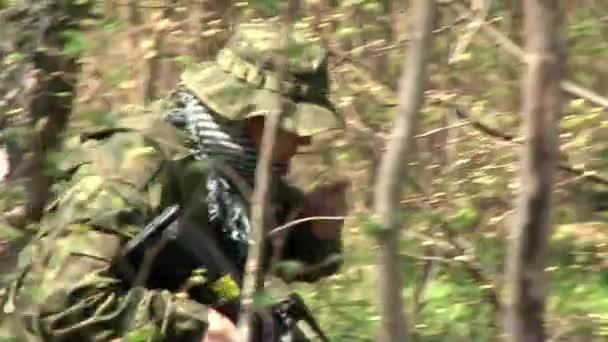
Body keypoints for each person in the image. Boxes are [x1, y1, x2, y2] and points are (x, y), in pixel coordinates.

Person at [0, 21, 349, 342]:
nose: (304, 141)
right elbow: (60, 304)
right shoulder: (130, 167)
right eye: (293, 127)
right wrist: (198, 326)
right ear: (252, 116)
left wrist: (316, 234)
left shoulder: (236, 169)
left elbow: (264, 257)